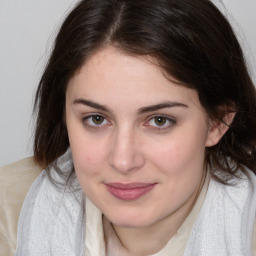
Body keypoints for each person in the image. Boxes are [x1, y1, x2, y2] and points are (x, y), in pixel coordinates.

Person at [1, 0, 256, 255]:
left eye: (159, 121)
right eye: (96, 119)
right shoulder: (7, 214)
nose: (123, 161)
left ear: (217, 122)